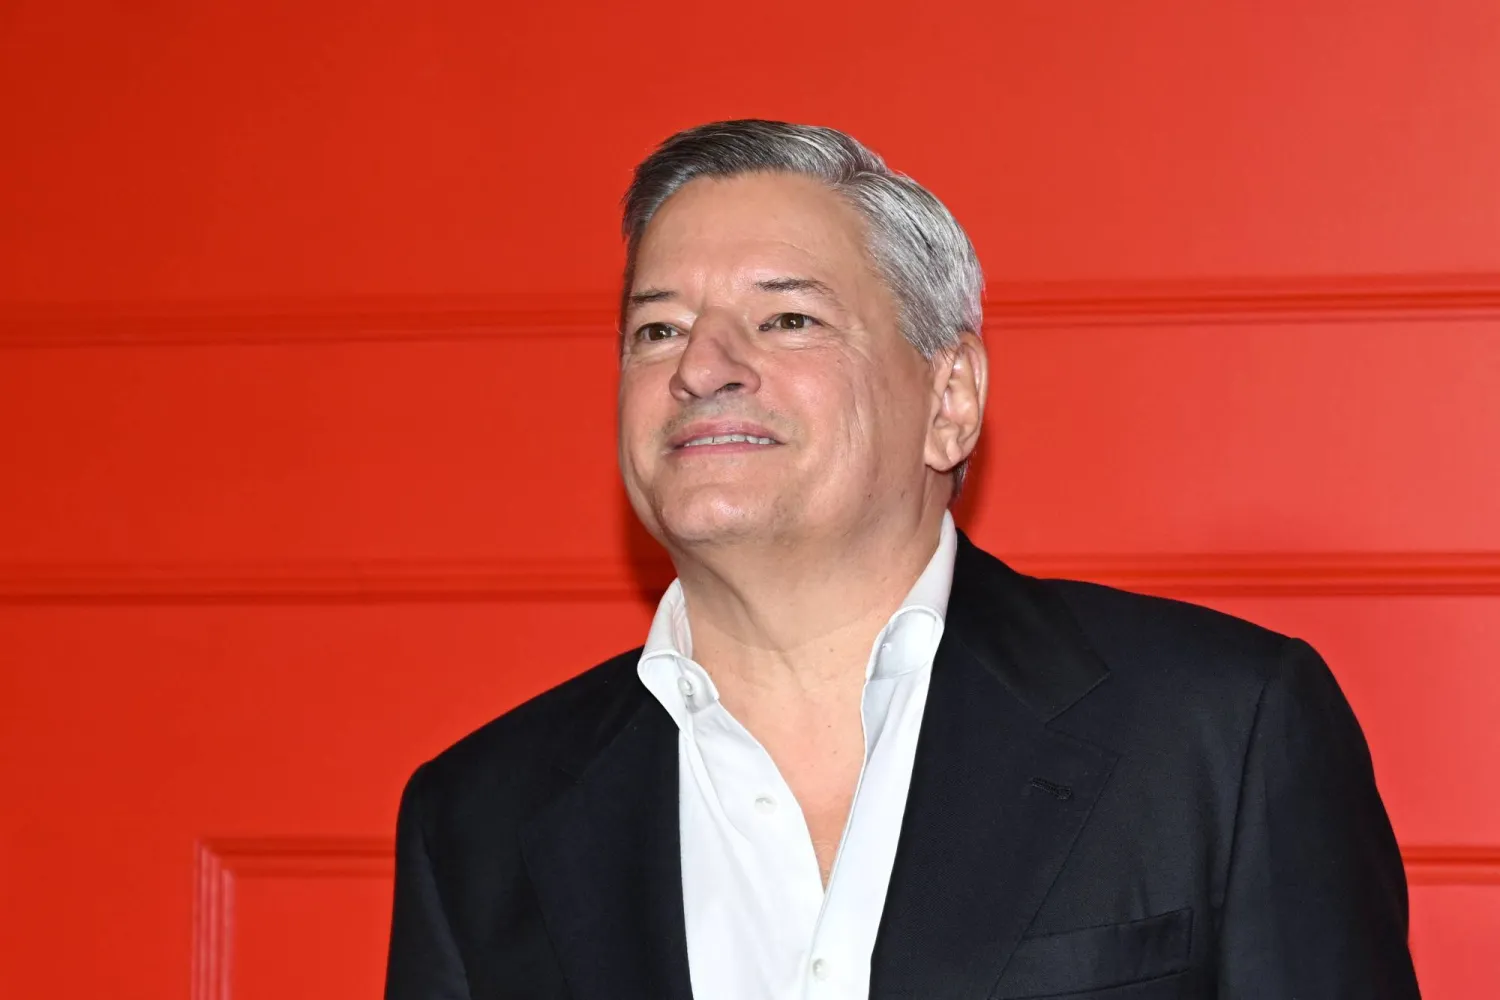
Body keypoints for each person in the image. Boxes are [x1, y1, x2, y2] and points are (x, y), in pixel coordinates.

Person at [384, 120, 1420, 1000]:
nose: (700, 366)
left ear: (950, 398)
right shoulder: (479, 818)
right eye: (657, 329)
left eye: (786, 318)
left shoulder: (1218, 733)